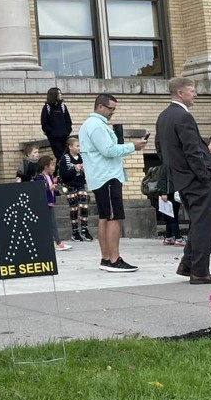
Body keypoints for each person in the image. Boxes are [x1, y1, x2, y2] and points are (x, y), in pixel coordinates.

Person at [156, 77, 211, 285]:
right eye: (192, 90)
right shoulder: (183, 116)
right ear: (180, 93)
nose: (195, 94)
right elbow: (192, 151)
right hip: (195, 179)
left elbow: (160, 149)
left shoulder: (163, 116)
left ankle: (187, 264)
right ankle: (200, 272)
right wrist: (203, 176)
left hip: (181, 179)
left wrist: (176, 172)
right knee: (205, 224)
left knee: (198, 222)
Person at [78, 92, 146, 273]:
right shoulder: (96, 126)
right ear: (100, 106)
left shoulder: (90, 125)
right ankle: (114, 260)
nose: (112, 112)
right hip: (107, 176)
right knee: (114, 218)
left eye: (114, 109)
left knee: (105, 217)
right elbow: (108, 150)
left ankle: (107, 258)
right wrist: (133, 146)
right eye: (110, 108)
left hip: (100, 176)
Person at [29, 154, 70, 252]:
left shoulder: (50, 176)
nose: (53, 167)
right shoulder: (40, 177)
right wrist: (49, 188)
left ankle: (54, 242)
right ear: (45, 166)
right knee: (50, 223)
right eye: (51, 165)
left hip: (50, 203)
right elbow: (39, 189)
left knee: (51, 223)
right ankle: (58, 243)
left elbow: (51, 188)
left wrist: (56, 188)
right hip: (44, 203)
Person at [59, 136, 92, 242]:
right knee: (74, 209)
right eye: (77, 146)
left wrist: (84, 170)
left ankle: (84, 230)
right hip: (70, 186)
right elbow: (64, 176)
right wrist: (74, 169)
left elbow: (89, 171)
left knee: (84, 207)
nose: (79, 148)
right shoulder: (65, 159)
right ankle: (75, 232)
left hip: (81, 185)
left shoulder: (82, 157)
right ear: (70, 147)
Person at [40, 87, 73, 164]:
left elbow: (68, 121)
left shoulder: (63, 106)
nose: (60, 95)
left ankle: (59, 170)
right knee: (61, 156)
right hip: (54, 138)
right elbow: (44, 124)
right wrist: (52, 133)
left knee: (66, 157)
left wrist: (67, 131)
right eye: (59, 93)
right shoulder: (47, 108)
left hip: (64, 137)